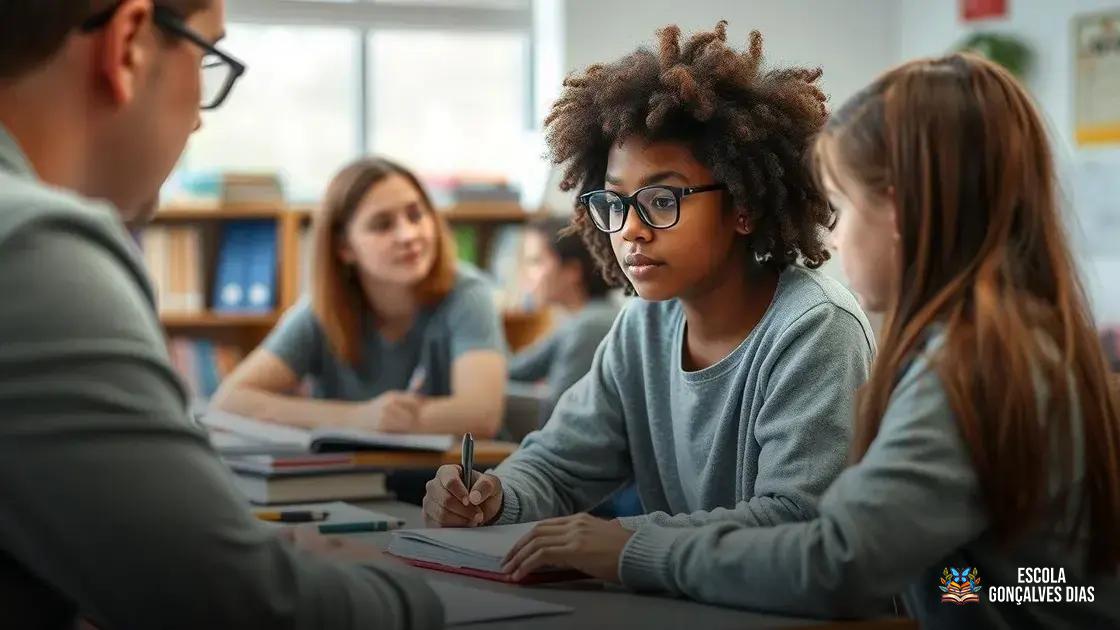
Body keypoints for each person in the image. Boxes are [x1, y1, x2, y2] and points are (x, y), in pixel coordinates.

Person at [507, 53, 1120, 627]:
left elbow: (837, 562)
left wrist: (632, 549)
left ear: (900, 214)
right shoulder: (994, 343)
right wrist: (953, 583)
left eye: (842, 206)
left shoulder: (974, 368)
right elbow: (979, 575)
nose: (835, 235)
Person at [0, 1, 441, 627]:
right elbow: (241, 608)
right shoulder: (33, 249)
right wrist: (405, 586)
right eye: (208, 56)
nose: (201, 122)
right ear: (128, 44)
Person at [423, 21, 875, 568]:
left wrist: (625, 543)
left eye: (662, 199)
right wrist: (493, 499)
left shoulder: (815, 329)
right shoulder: (643, 327)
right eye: (615, 202)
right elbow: (558, 465)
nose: (630, 229)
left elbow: (794, 522)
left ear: (743, 204)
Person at [211, 157, 508, 438]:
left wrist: (381, 419)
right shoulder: (323, 310)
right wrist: (359, 418)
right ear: (344, 248)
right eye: (382, 224)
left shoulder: (468, 295)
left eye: (416, 215)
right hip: (352, 483)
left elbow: (480, 415)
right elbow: (229, 401)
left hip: (453, 486)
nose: (408, 235)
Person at [509, 216, 620, 422]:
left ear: (572, 271)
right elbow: (516, 370)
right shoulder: (578, 321)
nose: (525, 275)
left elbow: (557, 416)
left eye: (535, 261)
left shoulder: (589, 326)